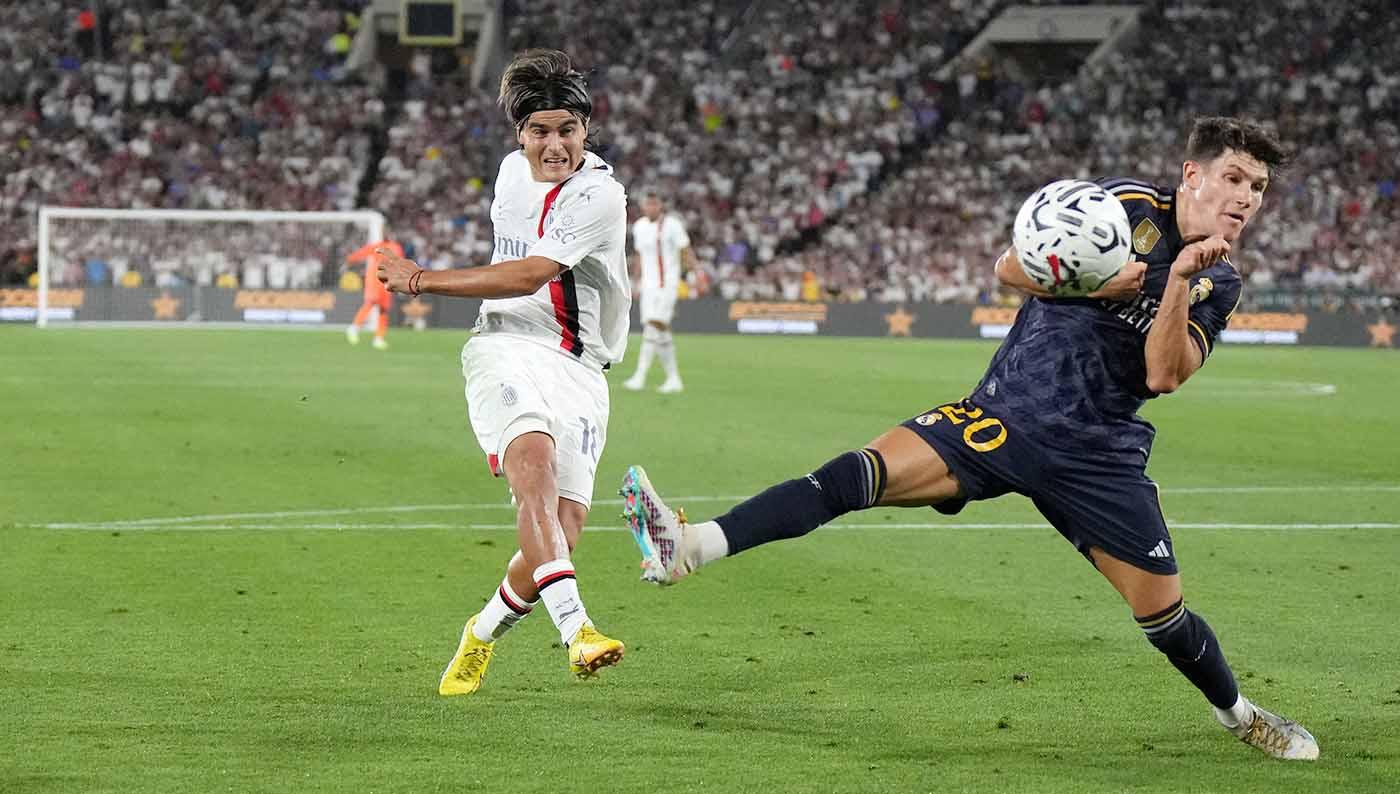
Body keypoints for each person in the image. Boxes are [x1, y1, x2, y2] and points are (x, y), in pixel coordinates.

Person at [621, 117, 1319, 760]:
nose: (1247, 196)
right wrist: (1100, 285)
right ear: (1192, 175)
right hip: (1003, 417)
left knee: (1164, 618)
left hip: (1098, 456)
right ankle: (691, 547)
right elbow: (1009, 269)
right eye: (1234, 177)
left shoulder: (1219, 281)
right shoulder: (1121, 208)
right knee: (856, 475)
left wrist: (1178, 285)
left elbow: (1164, 375)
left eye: (1257, 186)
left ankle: (1239, 714)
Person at [376, 49, 631, 695]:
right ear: (520, 134)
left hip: (580, 365)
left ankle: (481, 634)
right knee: (533, 469)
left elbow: (532, 271)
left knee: (563, 532)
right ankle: (579, 632)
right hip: (505, 343)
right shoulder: (508, 173)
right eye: (540, 130)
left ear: (585, 132)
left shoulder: (599, 194)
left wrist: (420, 281)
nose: (554, 145)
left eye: (567, 130)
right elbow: (514, 285)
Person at [622, 192, 696, 393]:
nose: (651, 207)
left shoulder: (672, 225)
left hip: (667, 284)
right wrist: (636, 282)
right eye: (648, 204)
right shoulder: (639, 226)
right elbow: (639, 256)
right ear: (644, 206)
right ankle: (674, 379)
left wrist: (697, 274)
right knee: (660, 332)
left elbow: (685, 250)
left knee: (654, 327)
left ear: (661, 205)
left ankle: (640, 375)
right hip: (648, 285)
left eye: (655, 203)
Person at [344, 239, 402, 350]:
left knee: (383, 310)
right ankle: (354, 328)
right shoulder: (378, 246)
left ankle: (378, 338)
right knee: (370, 303)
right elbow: (362, 253)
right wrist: (351, 258)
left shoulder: (396, 247)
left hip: (387, 280)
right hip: (375, 279)